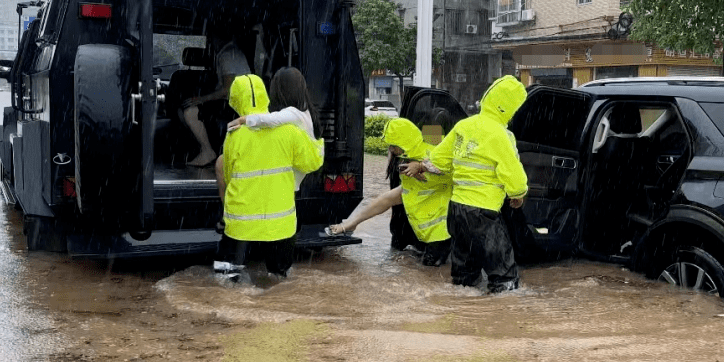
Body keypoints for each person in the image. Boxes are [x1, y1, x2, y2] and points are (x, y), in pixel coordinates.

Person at [402, 75, 529, 293]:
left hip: (457, 210)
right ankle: (501, 318)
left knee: (463, 274)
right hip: (484, 213)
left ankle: (461, 316)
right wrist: (518, 194)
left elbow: (439, 159)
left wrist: (421, 165)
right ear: (509, 107)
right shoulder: (501, 134)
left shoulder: (464, 125)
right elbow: (512, 171)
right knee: (503, 278)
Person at [215, 74, 324, 282]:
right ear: (266, 96)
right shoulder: (290, 130)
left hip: (241, 225)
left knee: (226, 276)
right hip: (280, 226)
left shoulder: (234, 134)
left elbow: (228, 175)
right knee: (279, 279)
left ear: (235, 100)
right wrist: (318, 143)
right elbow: (311, 163)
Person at [327, 118, 453, 266]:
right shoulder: (408, 158)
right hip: (427, 234)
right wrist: (350, 223)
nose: (391, 149)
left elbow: (453, 164)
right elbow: (384, 200)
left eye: (393, 146)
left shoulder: (433, 152)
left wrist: (421, 166)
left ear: (404, 142)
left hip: (442, 236)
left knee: (430, 272)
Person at [215, 66, 321, 206]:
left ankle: (227, 212)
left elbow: (273, 119)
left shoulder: (292, 114)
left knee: (221, 162)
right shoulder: (304, 111)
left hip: (297, 167)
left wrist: (246, 119)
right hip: (299, 168)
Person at [174, 41, 250, 167]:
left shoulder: (227, 55)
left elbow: (227, 90)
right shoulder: (231, 53)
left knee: (190, 111)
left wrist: (201, 99)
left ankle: (207, 151)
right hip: (238, 103)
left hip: (234, 105)